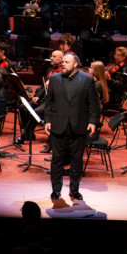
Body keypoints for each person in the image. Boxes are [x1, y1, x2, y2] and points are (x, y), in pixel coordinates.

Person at [44, 52, 100, 209]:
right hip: (58, 125)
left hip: (79, 126)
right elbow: (49, 102)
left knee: (77, 161)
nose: (62, 64)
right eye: (62, 62)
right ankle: (56, 190)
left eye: (66, 62)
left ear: (75, 64)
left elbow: (93, 104)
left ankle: (74, 190)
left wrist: (93, 122)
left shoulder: (88, 79)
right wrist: (47, 120)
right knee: (57, 161)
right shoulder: (54, 79)